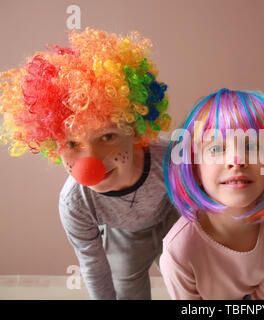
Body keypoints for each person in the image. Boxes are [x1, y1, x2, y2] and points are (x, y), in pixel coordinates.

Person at [0, 28, 179, 300]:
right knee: (125, 286)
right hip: (125, 237)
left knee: (195, 265)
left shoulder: (170, 157)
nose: (91, 159)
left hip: (173, 219)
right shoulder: (75, 202)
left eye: (107, 136)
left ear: (135, 131)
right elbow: (93, 265)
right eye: (72, 144)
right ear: (53, 145)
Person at [160, 88, 264, 299]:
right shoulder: (179, 251)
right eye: (216, 149)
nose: (236, 160)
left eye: (252, 146)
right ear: (195, 169)